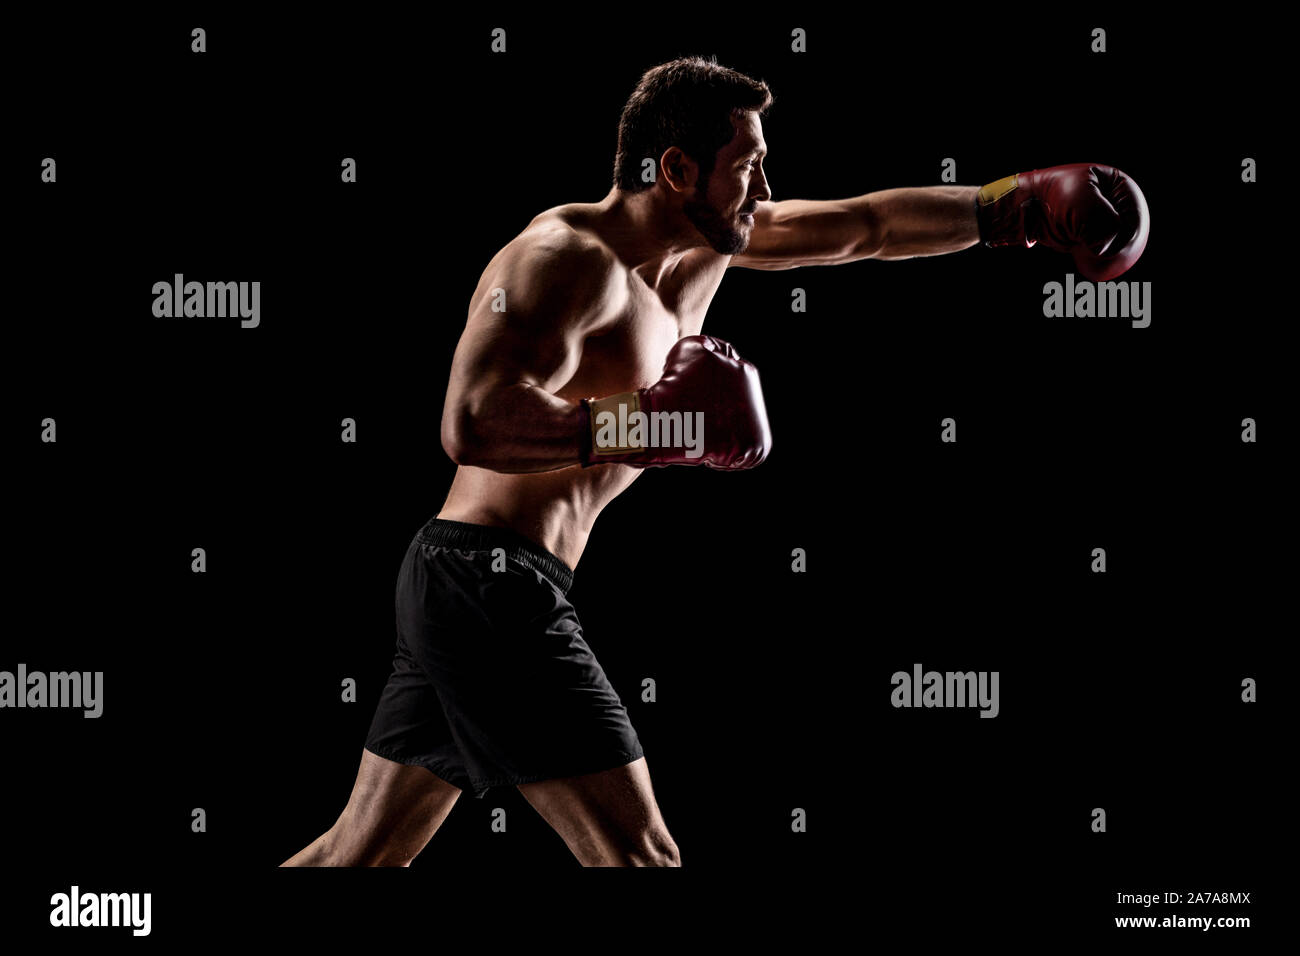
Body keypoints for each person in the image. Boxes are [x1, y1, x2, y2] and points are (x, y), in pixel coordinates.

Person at [281, 54, 1148, 868]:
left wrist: (1010, 209)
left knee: (356, 856)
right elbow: (471, 422)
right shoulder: (564, 261)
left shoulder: (702, 250)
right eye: (749, 166)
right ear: (677, 170)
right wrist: (650, 426)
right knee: (642, 858)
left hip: (472, 579)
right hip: (489, 583)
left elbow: (864, 228)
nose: (765, 190)